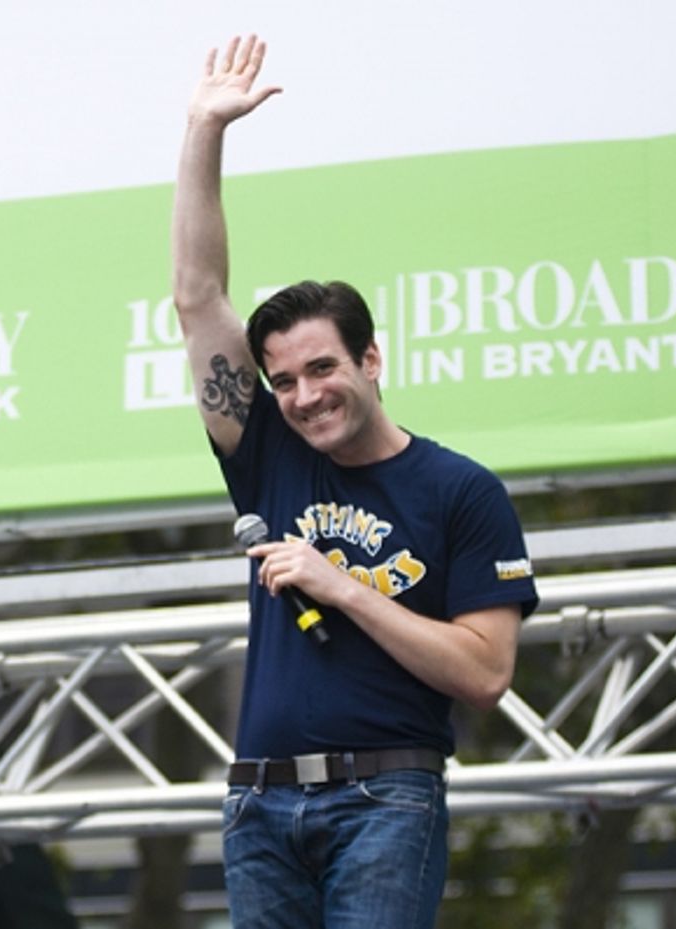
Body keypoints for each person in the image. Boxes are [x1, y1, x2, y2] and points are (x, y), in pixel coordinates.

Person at [171, 36, 538, 928]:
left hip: (387, 798)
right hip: (258, 803)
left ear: (373, 358)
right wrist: (202, 130)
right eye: (283, 379)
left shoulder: (462, 491)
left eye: (322, 368)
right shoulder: (265, 453)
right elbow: (196, 295)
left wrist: (344, 588)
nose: (302, 396)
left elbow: (486, 674)